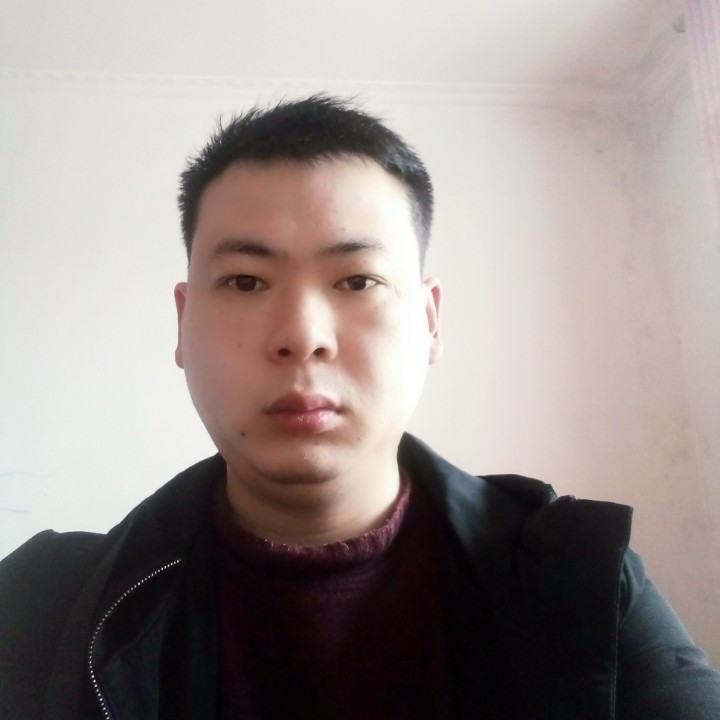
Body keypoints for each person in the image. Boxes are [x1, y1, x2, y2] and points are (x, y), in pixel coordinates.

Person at [1, 95, 719, 720]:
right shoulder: (47, 601)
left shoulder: (578, 576)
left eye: (357, 281)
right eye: (246, 281)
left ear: (429, 321)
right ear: (184, 324)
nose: (301, 335)